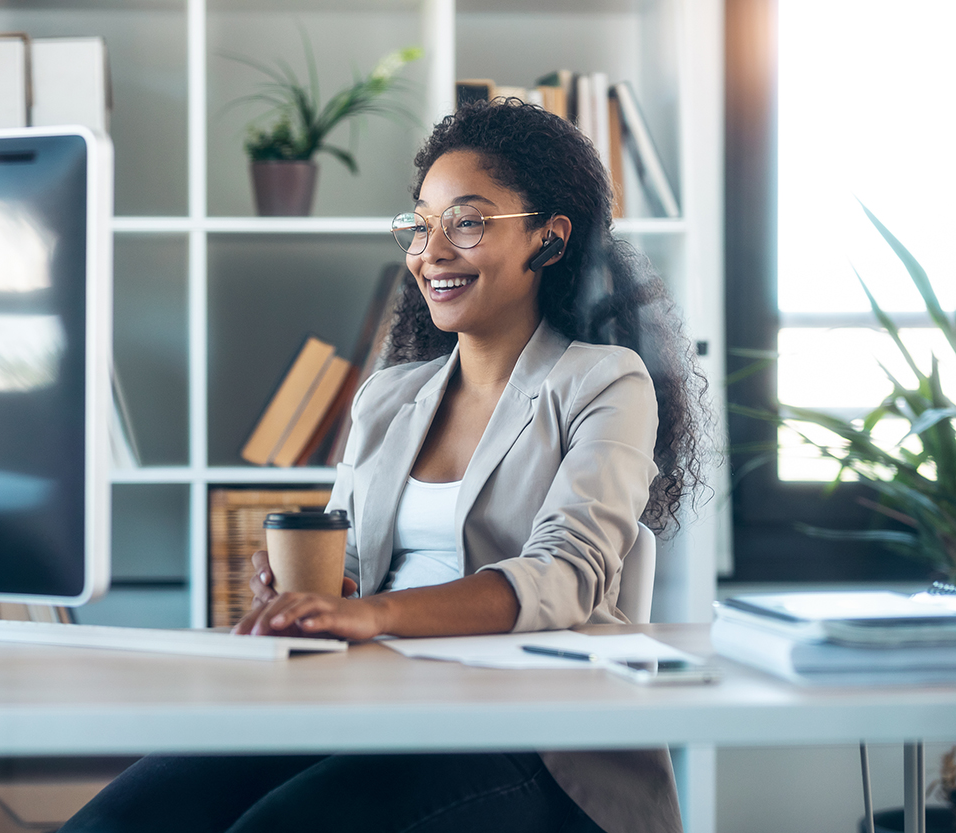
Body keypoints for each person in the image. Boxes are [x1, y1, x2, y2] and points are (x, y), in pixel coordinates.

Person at [60, 98, 708, 833]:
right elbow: (354, 571)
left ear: (548, 239)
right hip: (368, 701)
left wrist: (370, 612)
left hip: (532, 740)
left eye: (465, 222)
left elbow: (565, 576)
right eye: (420, 224)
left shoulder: (603, 381)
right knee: (117, 823)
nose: (431, 251)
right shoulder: (388, 397)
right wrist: (310, 593)